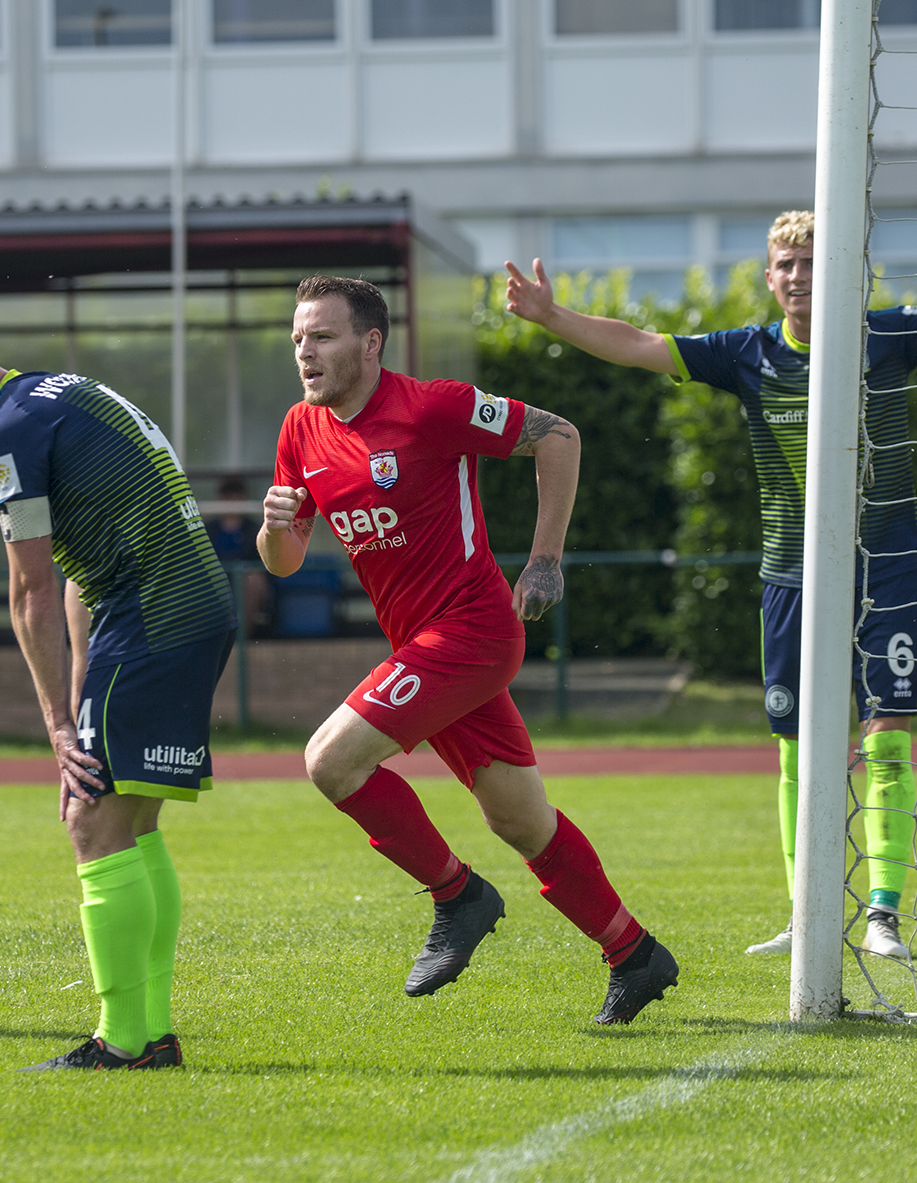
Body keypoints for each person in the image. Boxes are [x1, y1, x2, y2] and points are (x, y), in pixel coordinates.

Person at [504, 210, 917, 959]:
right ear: (769, 278)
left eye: (811, 263)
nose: (798, 277)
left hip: (885, 569)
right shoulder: (747, 354)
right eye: (786, 265)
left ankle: (884, 915)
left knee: (886, 738)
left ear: (841, 274)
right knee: (797, 751)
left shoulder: (885, 336)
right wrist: (549, 314)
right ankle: (806, 915)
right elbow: (637, 344)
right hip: (790, 577)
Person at [260, 275, 677, 1025]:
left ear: (370, 343)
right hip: (425, 649)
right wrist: (275, 523)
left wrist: (545, 558)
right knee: (521, 822)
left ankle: (459, 896)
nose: (305, 351)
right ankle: (634, 953)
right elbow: (283, 561)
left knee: (330, 760)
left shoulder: (432, 405)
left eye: (321, 336)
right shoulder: (301, 429)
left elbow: (559, 434)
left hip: (472, 631)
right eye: (298, 338)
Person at [0, 315, 235, 1069]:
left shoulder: (2, 433)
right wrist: (76, 702)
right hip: (191, 604)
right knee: (130, 823)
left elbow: (30, 590)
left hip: (151, 612)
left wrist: (58, 731)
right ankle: (151, 1035)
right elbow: (76, 567)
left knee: (90, 823)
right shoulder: (54, 395)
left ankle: (123, 1040)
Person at [206, 475, 269, 631]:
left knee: (254, 581)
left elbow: (263, 562)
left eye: (236, 494)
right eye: (227, 495)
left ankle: (240, 636)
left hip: (244, 580)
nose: (232, 499)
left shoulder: (255, 529)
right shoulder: (208, 530)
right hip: (216, 579)